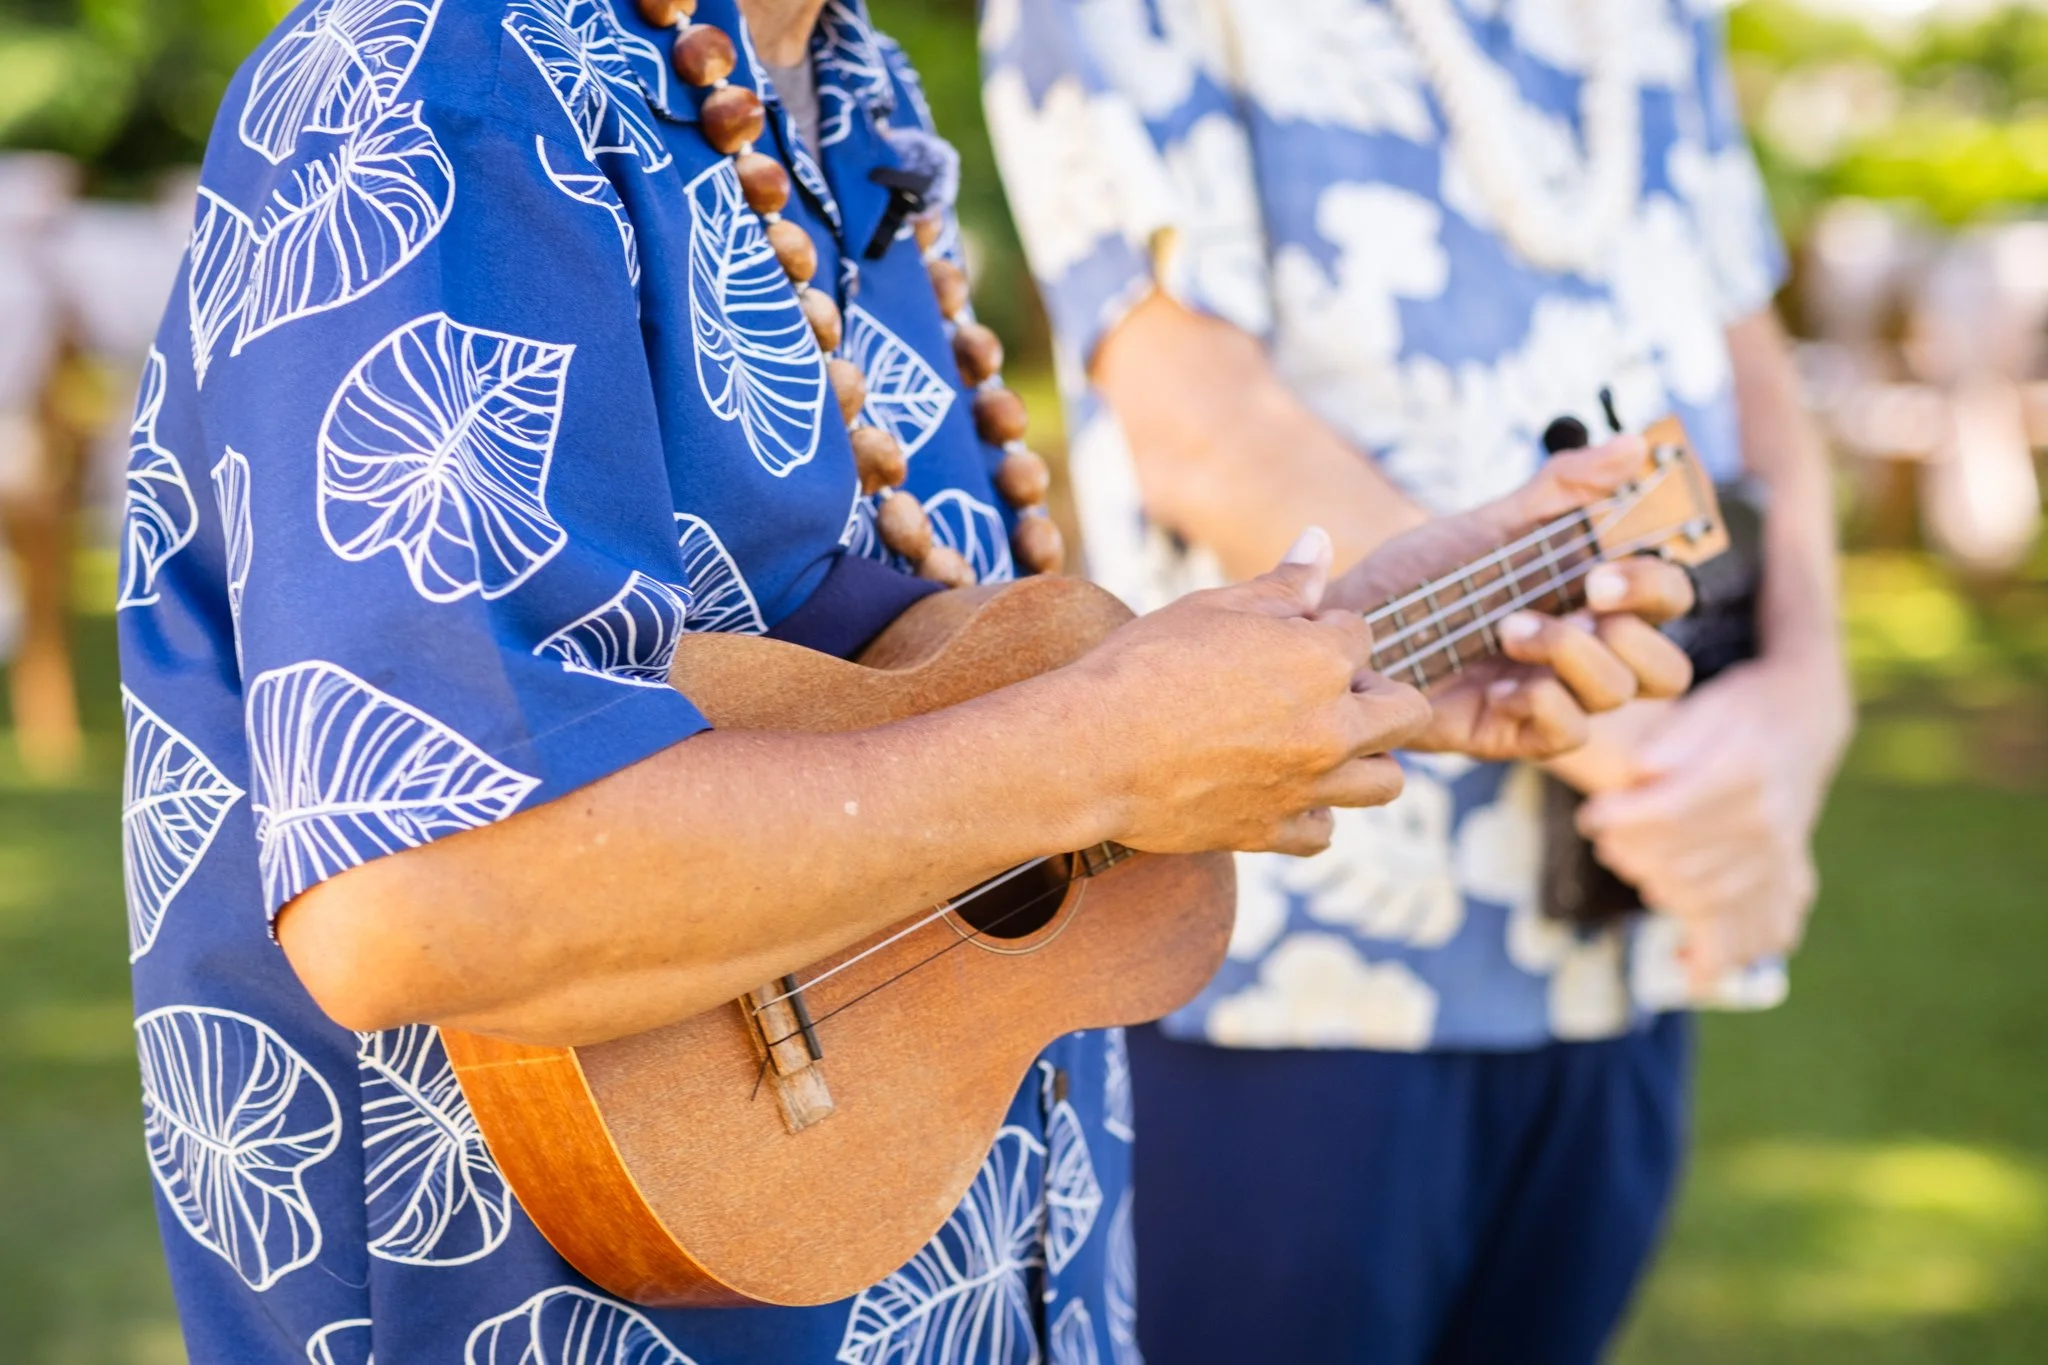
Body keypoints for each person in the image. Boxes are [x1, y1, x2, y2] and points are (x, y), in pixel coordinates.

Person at [115, 0, 1694, 1360]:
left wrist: (1358, 643)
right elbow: (426, 893)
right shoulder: (432, 86)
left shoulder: (844, 94)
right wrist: (1105, 752)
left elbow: (920, 741)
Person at [982, 1, 1853, 1361]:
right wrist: (1663, 766)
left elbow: (1764, 403)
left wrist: (1809, 709)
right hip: (1293, 958)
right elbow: (1206, 434)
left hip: (1621, 934)